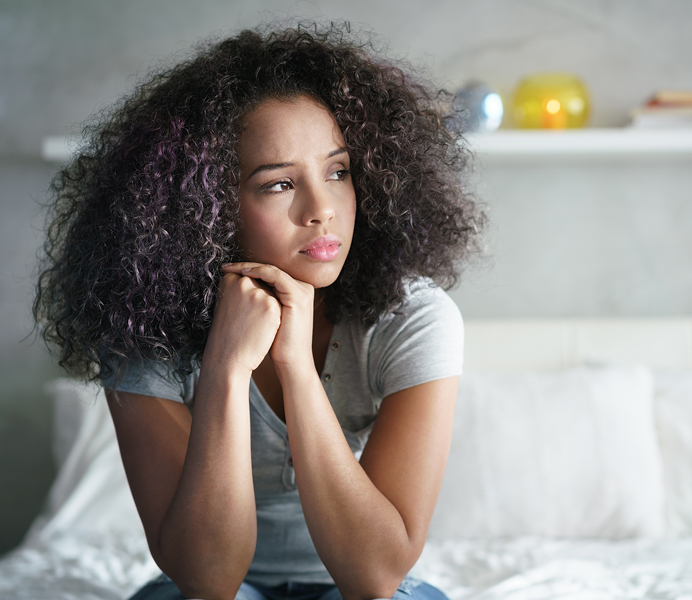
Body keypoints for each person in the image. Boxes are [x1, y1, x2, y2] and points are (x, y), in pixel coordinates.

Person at [34, 21, 483, 600]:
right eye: (277, 185)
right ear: (207, 207)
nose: (321, 209)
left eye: (338, 171)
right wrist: (224, 366)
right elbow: (207, 579)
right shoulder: (141, 326)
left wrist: (295, 365)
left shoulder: (413, 317)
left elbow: (375, 576)